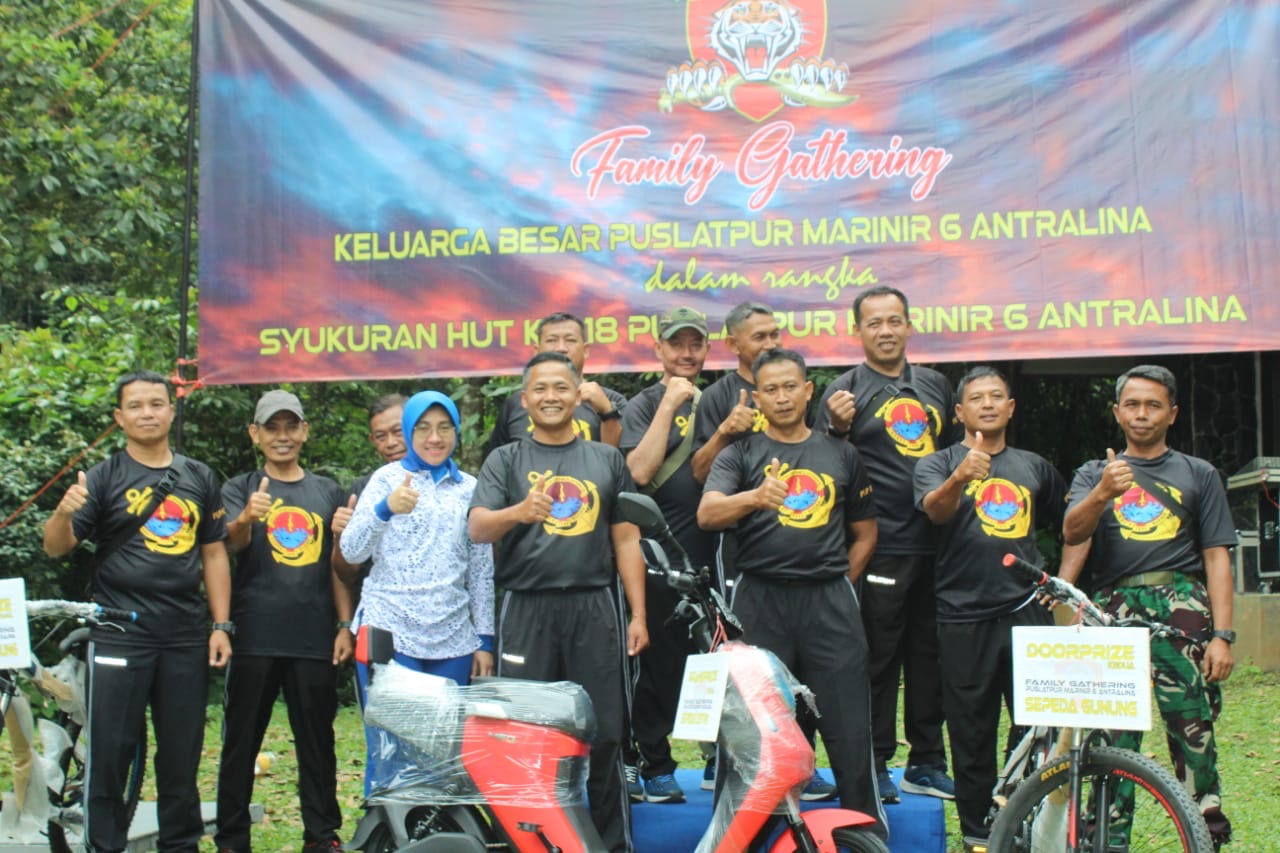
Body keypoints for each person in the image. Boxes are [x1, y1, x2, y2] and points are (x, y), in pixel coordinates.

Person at [698, 348, 886, 839]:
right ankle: (744, 840)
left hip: (829, 603)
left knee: (849, 728)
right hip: (760, 602)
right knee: (754, 733)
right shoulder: (740, 454)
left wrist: (838, 582)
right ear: (757, 397)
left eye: (790, 387)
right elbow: (708, 513)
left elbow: (865, 533)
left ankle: (865, 837)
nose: (781, 397)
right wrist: (755, 497)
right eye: (771, 389)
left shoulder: (841, 453)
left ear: (808, 391)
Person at [42, 370, 232, 853]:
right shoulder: (103, 477)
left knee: (181, 754)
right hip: (117, 633)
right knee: (111, 751)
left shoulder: (199, 477)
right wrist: (64, 512)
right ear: (120, 417)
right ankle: (104, 845)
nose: (147, 413)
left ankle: (180, 846)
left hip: (184, 633)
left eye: (156, 403)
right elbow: (56, 547)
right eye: (136, 406)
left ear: (171, 409)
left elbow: (213, 553)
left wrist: (220, 625)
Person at [469, 352, 648, 853]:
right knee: (524, 735)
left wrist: (638, 614)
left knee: (606, 733)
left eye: (561, 387)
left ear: (578, 396)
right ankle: (529, 844)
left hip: (595, 607)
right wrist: (520, 511)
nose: (551, 397)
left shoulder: (606, 460)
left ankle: (612, 845)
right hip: (527, 608)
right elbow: (478, 528)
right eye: (541, 389)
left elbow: (626, 539)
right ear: (525, 399)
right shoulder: (505, 459)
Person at [1062, 364, 1235, 848]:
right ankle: (1105, 840)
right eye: (1133, 405)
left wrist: (1223, 635)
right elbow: (1073, 532)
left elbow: (1216, 557)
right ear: (1117, 412)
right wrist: (1103, 491)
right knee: (1110, 737)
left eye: (1153, 405)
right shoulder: (1093, 473)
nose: (1142, 414)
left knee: (1193, 732)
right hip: (1113, 609)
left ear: (1172, 414)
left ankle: (1205, 837)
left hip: (1182, 607)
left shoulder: (1198, 474)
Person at [813, 284, 957, 803]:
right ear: (858, 331)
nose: (886, 331)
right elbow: (822, 465)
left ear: (909, 326)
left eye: (895, 320)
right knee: (876, 659)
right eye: (874, 322)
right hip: (880, 545)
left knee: (930, 658)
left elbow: (953, 457)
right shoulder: (843, 392)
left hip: (938, 544)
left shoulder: (936, 385)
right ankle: (873, 763)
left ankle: (926, 762)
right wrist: (836, 428)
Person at [913, 367, 1068, 846]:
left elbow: (1075, 524)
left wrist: (1061, 583)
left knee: (1036, 727)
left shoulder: (1034, 466)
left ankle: (1025, 824)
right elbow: (934, 511)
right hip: (962, 616)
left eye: (996, 396)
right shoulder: (937, 463)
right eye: (976, 398)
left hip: (1027, 612)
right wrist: (960, 476)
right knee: (971, 733)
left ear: (1010, 407)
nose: (987, 404)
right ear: (959, 412)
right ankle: (978, 834)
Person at [212, 390, 353, 853]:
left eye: (291, 426)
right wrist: (245, 519)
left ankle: (321, 836)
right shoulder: (241, 488)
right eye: (272, 428)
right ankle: (232, 839)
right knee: (241, 743)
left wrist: (343, 624)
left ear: (304, 431)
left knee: (317, 742)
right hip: (253, 634)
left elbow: (337, 564)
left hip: (313, 635)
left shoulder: (328, 491)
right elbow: (226, 546)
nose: (282, 436)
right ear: (255, 434)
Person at [339, 390, 495, 793]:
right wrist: (384, 509)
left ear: (457, 432)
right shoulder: (386, 480)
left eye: (444, 428)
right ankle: (387, 825)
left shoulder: (470, 488)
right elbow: (351, 551)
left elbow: (481, 571)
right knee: (392, 751)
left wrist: (485, 639)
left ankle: (437, 826)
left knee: (444, 754)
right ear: (409, 433)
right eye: (423, 428)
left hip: (453, 637)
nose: (434, 438)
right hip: (390, 632)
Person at [619, 305, 718, 804]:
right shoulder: (642, 405)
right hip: (657, 557)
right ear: (658, 348)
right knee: (655, 663)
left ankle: (719, 754)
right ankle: (656, 763)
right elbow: (637, 472)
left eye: (696, 344)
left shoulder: (719, 400)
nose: (687, 353)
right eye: (676, 343)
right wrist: (669, 404)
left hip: (712, 555)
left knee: (716, 661)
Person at [485, 312, 627, 454]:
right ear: (537, 351)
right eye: (551, 340)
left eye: (570, 340)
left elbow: (617, 462)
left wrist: (607, 412)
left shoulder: (611, 400)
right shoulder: (517, 403)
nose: (561, 348)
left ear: (585, 351)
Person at [349, 393, 408, 499]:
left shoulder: (439, 480)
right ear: (373, 440)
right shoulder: (363, 489)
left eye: (398, 431)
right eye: (381, 436)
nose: (390, 443)